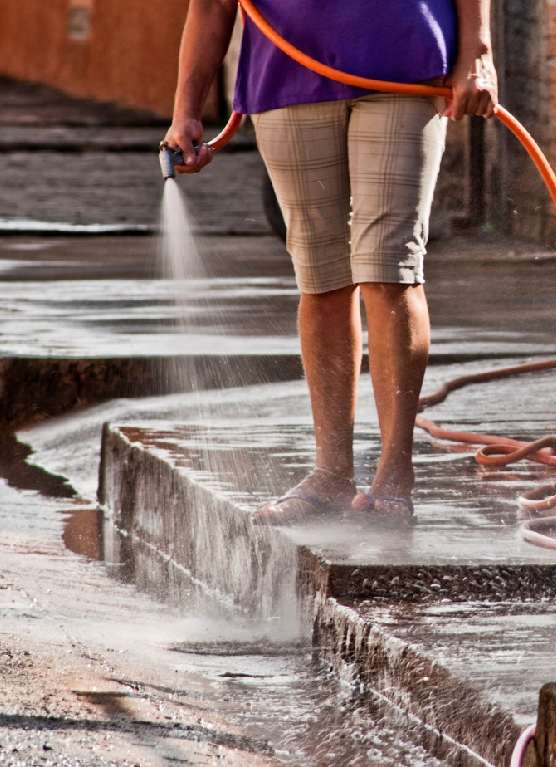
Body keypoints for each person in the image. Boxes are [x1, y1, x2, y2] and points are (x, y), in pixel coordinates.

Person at [163, 0, 497, 522]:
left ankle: (394, 478)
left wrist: (476, 53)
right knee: (321, 279)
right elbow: (211, 5)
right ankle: (331, 475)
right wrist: (186, 110)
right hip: (286, 77)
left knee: (390, 270)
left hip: (404, 68)